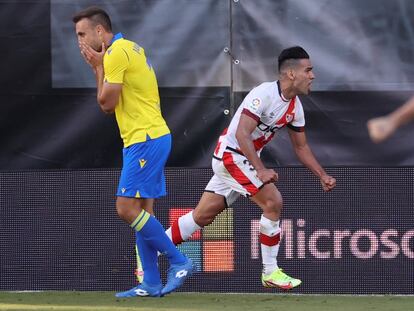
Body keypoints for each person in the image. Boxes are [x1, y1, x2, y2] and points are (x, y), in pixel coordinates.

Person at [161, 46, 336, 290]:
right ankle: (271, 271)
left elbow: (301, 148)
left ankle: (149, 248)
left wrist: (322, 175)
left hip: (240, 161)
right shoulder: (263, 93)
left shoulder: (295, 107)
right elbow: (243, 134)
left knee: (202, 216)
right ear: (291, 74)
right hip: (231, 156)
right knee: (273, 201)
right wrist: (261, 170)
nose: (313, 76)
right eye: (308, 70)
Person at [72, 6, 192, 297]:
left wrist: (98, 68)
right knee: (143, 211)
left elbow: (106, 104)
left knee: (126, 208)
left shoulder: (114, 53)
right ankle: (151, 281)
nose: (80, 41)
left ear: (100, 31)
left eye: (82, 34)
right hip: (148, 137)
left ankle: (180, 261)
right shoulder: (129, 48)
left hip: (145, 139)